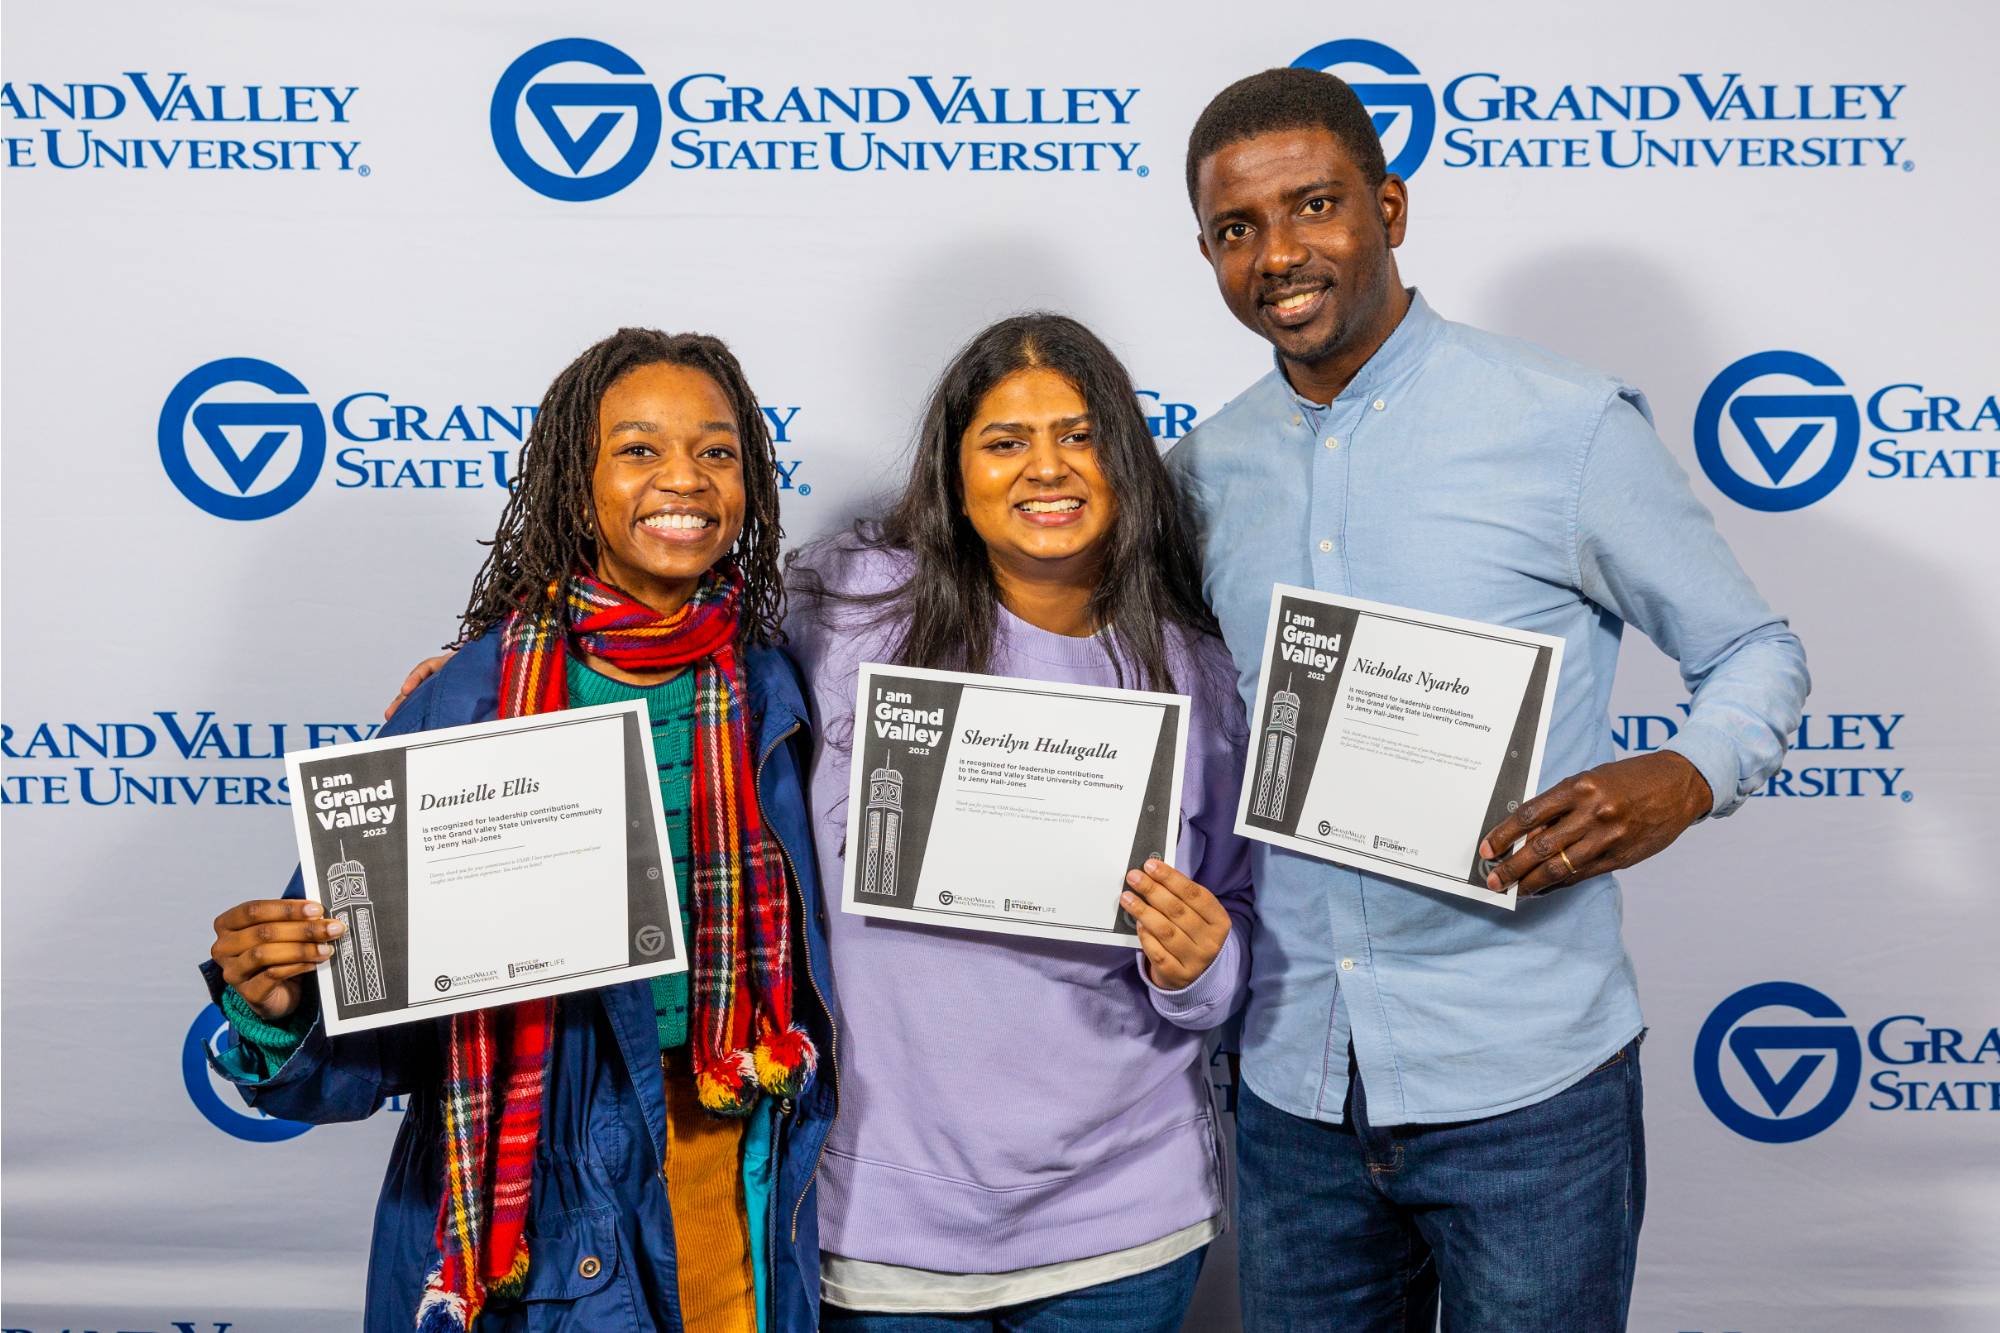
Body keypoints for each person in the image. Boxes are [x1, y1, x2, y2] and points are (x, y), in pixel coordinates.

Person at [1171, 69, 1811, 1331]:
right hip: (1291, 1088)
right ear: (1206, 252)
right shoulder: (1198, 473)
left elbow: (1753, 649)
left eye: (1314, 205)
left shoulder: (1563, 425)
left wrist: (1685, 773)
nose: (1279, 254)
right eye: (1237, 229)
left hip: (1528, 1084)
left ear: (1389, 208)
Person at [202, 329, 841, 1332]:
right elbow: (357, 1049)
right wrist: (276, 1007)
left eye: (716, 450)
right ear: (573, 483)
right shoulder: (469, 697)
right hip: (537, 1194)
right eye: (638, 448)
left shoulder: (776, 689)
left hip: (733, 1172)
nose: (684, 475)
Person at [784, 312, 1253, 1333]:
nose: (1048, 467)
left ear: (1124, 459)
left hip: (1121, 1214)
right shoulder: (845, 606)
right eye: (1005, 441)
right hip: (879, 1214)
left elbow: (1240, 923)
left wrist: (1199, 964)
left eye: (1079, 435)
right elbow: (672, 668)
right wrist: (492, 675)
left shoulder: (1199, 678)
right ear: (953, 473)